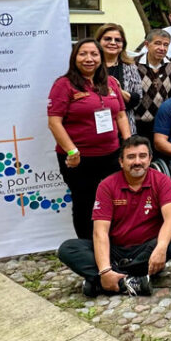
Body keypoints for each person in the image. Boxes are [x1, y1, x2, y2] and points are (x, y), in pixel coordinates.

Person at [57, 136, 171, 297]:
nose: (137, 161)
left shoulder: (162, 181)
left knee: (168, 246)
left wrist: (161, 247)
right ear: (121, 162)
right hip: (114, 250)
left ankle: (101, 282)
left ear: (149, 159)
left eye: (142, 156)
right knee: (68, 249)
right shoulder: (107, 185)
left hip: (144, 249)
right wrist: (105, 269)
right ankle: (130, 281)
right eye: (131, 157)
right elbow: (100, 232)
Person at [48, 39, 131, 239]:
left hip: (111, 155)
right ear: (74, 58)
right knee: (85, 203)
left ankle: (113, 241)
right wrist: (72, 151)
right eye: (83, 54)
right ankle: (88, 247)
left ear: (100, 58)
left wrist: (128, 144)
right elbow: (54, 122)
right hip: (79, 159)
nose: (89, 59)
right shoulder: (64, 84)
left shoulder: (110, 82)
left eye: (94, 54)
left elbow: (120, 114)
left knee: (116, 199)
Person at [133, 29, 171, 141]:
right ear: (146, 44)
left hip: (164, 123)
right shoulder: (132, 65)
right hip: (138, 122)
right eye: (157, 43)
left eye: (166, 45)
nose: (162, 48)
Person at [96, 23, 142, 135]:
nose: (113, 43)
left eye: (117, 40)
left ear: (123, 45)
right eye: (107, 39)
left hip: (124, 129)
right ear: (98, 42)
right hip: (94, 128)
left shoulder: (130, 67)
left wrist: (118, 90)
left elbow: (137, 99)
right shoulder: (90, 66)